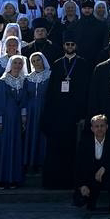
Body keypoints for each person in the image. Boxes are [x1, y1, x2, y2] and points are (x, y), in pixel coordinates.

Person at [43, 37, 90, 189]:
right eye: (67, 44)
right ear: (64, 46)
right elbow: (51, 91)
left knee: (73, 149)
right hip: (58, 113)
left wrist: (83, 113)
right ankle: (55, 182)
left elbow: (85, 90)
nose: (70, 46)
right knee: (57, 148)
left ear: (76, 45)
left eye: (72, 44)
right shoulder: (57, 64)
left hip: (75, 114)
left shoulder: (83, 63)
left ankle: (71, 181)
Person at [0, 55, 29, 188]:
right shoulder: (3, 81)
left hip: (16, 120)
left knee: (15, 147)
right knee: (3, 147)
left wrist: (23, 116)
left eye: (20, 63)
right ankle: (1, 178)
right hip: (5, 119)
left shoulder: (23, 80)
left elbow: (24, 100)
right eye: (15, 63)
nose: (17, 65)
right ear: (10, 64)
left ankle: (13, 178)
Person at [74, 114, 110, 213]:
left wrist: (104, 168)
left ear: (107, 127)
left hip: (108, 175)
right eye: (96, 126)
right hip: (91, 177)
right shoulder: (85, 143)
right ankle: (89, 199)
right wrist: (82, 185)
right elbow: (79, 165)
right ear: (92, 128)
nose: (99, 129)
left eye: (102, 126)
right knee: (81, 201)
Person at [24, 52, 51, 174]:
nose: (36, 63)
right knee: (31, 134)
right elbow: (25, 95)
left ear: (43, 60)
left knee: (42, 134)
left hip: (44, 108)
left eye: (38, 60)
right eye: (33, 61)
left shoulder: (50, 75)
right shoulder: (28, 77)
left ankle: (42, 162)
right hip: (31, 110)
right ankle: (30, 162)